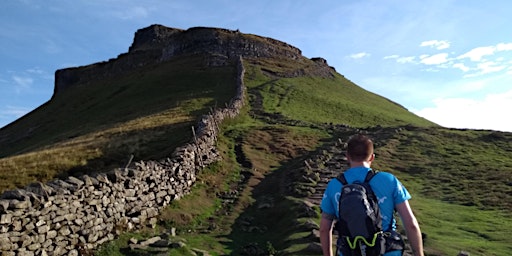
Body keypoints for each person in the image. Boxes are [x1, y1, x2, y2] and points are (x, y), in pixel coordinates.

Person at [320, 134, 424, 256]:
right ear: (372, 157)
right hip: (387, 250)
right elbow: (410, 223)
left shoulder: (334, 185)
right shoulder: (389, 180)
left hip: (350, 251)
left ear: (347, 156)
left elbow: (324, 229)